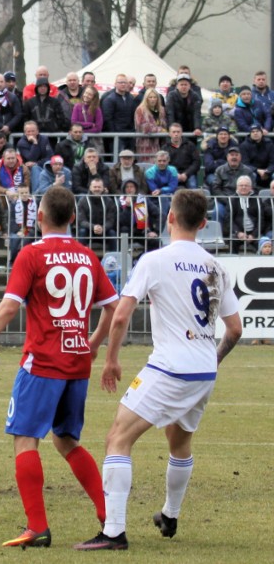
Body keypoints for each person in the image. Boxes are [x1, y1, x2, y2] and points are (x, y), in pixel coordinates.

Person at [74, 188, 242, 551]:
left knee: (117, 438)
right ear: (202, 224)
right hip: (202, 371)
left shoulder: (155, 260)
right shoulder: (216, 266)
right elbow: (235, 328)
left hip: (170, 368)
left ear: (169, 217)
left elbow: (121, 314)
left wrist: (112, 359)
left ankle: (114, 532)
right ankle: (170, 514)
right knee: (179, 442)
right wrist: (211, 360)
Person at [0, 186, 119, 550]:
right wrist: (93, 346)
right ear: (73, 218)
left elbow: (9, 308)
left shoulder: (32, 255)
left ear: (39, 217)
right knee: (66, 440)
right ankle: (109, 517)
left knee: (25, 439)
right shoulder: (87, 256)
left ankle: (38, 527)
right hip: (77, 364)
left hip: (42, 363)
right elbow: (112, 307)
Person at [77, 177, 117, 251]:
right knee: (82, 232)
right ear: (90, 188)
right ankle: (80, 255)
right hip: (88, 229)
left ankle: (114, 258)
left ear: (103, 188)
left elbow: (111, 220)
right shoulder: (83, 201)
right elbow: (81, 221)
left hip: (104, 230)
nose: (97, 189)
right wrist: (93, 227)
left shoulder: (109, 201)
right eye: (95, 187)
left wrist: (103, 228)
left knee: (112, 233)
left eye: (99, 187)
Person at [16, 120, 53, 193]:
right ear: (25, 132)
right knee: (35, 168)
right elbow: (31, 158)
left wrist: (37, 163)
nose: (31, 133)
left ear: (37, 131)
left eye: (33, 131)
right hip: (29, 168)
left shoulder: (44, 139)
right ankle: (36, 195)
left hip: (43, 165)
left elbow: (50, 156)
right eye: (28, 131)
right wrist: (35, 143)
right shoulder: (21, 143)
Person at [163, 122, 200, 189]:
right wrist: (175, 174)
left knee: (193, 188)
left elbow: (196, 162)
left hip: (188, 174)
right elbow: (163, 164)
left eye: (178, 132)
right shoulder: (165, 148)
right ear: (169, 134)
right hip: (172, 175)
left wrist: (186, 174)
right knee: (167, 191)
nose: (176, 134)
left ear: (181, 133)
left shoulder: (190, 145)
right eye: (174, 132)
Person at [165, 73, 202, 138]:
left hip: (191, 129)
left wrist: (197, 128)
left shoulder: (195, 96)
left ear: (189, 86)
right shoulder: (171, 96)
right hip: (176, 128)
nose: (184, 87)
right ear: (177, 86)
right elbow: (170, 113)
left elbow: (197, 114)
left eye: (185, 84)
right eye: (181, 84)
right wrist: (171, 128)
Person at [134, 88, 167, 160]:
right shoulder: (140, 110)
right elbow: (144, 127)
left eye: (155, 97)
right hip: (145, 144)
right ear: (146, 98)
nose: (153, 99)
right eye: (150, 97)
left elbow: (165, 124)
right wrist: (160, 129)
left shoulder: (161, 110)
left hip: (160, 143)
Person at [8, 185, 38, 264]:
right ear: (18, 194)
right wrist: (18, 231)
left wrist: (29, 230)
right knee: (15, 238)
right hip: (18, 230)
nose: (24, 194)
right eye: (22, 193)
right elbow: (12, 220)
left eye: (26, 192)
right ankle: (13, 261)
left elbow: (36, 219)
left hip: (32, 230)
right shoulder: (14, 204)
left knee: (32, 238)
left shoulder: (35, 204)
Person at [239, 124, 274, 190]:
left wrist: (268, 171)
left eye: (257, 131)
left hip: (268, 171)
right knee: (250, 175)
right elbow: (245, 163)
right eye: (253, 132)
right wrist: (257, 170)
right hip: (253, 171)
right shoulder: (244, 145)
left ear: (261, 133)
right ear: (250, 134)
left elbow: (273, 162)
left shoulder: (269, 144)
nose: (255, 133)